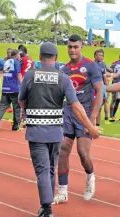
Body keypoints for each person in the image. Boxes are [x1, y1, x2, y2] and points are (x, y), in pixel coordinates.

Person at [18, 42, 100, 217]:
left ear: (40, 57)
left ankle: (46, 209)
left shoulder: (30, 76)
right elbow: (76, 106)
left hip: (36, 132)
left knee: (42, 170)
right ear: (55, 58)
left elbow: (21, 99)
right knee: (51, 168)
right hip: (56, 133)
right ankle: (49, 203)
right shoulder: (63, 78)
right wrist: (90, 126)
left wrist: (27, 114)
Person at [54, 34, 103, 205]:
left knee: (83, 153)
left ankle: (90, 177)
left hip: (86, 113)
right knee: (63, 148)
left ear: (82, 47)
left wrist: (93, 117)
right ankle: (62, 191)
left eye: (76, 47)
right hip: (68, 113)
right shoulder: (64, 69)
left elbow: (100, 92)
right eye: (70, 47)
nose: (73, 50)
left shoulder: (91, 66)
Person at [0, 49, 22, 132]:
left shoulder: (6, 62)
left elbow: (3, 72)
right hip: (14, 88)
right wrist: (22, 84)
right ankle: (16, 126)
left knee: (1, 107)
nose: (20, 56)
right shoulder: (16, 62)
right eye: (19, 55)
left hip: (5, 88)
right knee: (17, 108)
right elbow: (18, 74)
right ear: (15, 55)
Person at [94, 49, 109, 125]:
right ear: (95, 56)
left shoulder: (103, 64)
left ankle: (103, 120)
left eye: (102, 55)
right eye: (100, 55)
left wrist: (106, 85)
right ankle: (95, 123)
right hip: (94, 86)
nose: (102, 57)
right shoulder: (92, 64)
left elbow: (104, 75)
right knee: (96, 105)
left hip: (102, 86)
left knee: (104, 101)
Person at [109, 55, 120, 122]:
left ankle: (111, 116)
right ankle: (111, 116)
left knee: (114, 100)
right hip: (118, 83)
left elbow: (110, 71)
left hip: (114, 83)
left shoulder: (114, 63)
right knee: (116, 100)